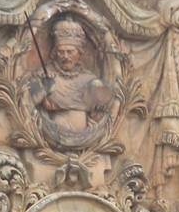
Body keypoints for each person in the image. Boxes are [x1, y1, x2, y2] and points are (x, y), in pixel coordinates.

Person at [28, 16, 114, 147]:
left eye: (70, 52)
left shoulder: (89, 79)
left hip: (86, 142)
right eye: (61, 52)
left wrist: (95, 120)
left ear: (79, 53)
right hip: (51, 139)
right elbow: (27, 103)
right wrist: (43, 89)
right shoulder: (43, 75)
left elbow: (103, 109)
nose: (65, 57)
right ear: (55, 52)